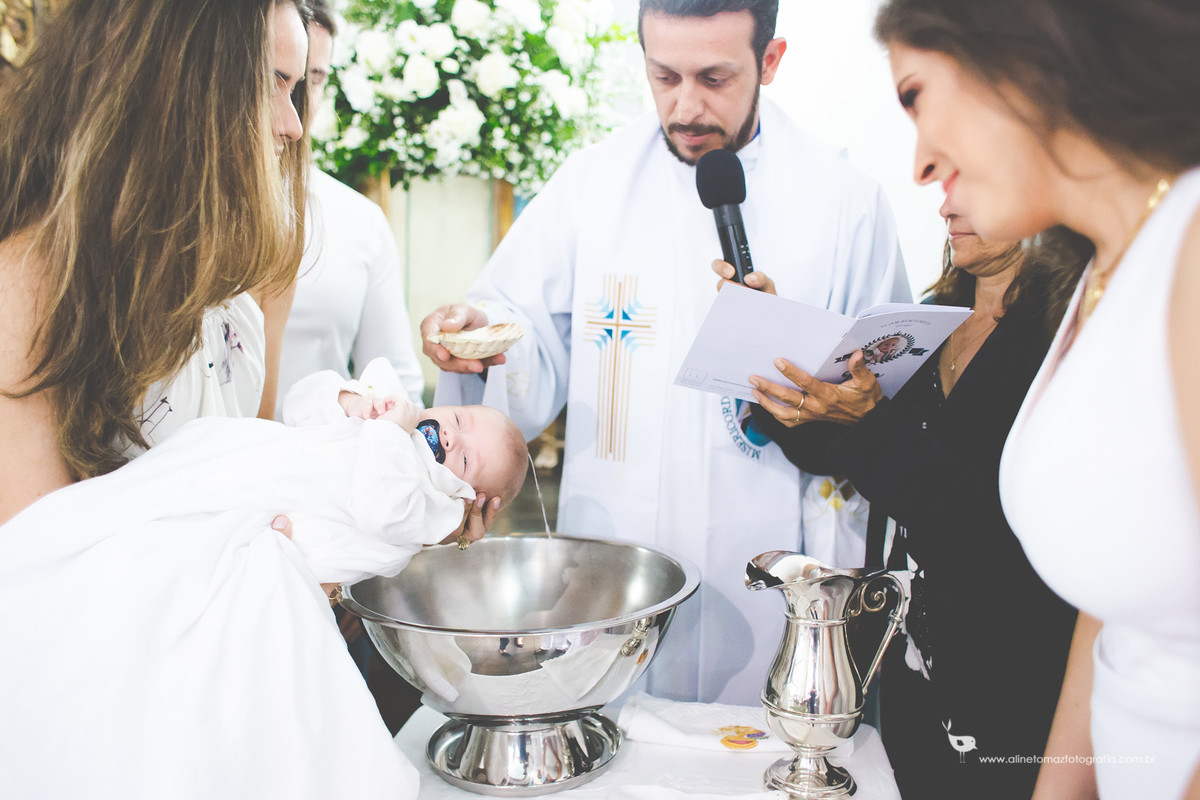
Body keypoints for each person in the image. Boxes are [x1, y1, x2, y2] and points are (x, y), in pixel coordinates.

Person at [420, 0, 909, 706]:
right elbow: (520, 329)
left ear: (770, 63)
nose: (684, 106)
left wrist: (840, 395)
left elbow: (885, 387)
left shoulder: (845, 203)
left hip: (773, 559)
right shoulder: (592, 185)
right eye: (663, 74)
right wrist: (478, 336)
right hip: (616, 561)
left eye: (714, 77)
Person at [871, 1, 1200, 798]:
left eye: (917, 97)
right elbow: (1110, 596)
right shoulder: (1104, 269)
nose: (920, 165)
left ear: (1016, 61)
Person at [0, 359, 528, 798]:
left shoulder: (429, 507)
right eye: (458, 417)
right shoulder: (389, 413)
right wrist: (349, 402)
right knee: (138, 505)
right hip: (240, 463)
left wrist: (389, 432)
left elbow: (379, 500)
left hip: (258, 534)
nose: (451, 435)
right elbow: (300, 406)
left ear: (472, 497)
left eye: (464, 457)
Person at [742, 195, 1089, 797]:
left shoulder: (1063, 337)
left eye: (973, 183)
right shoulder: (928, 321)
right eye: (947, 187)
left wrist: (869, 424)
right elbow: (839, 454)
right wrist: (781, 371)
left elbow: (984, 526)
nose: (948, 206)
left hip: (1010, 673)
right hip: (904, 662)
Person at [276, 0, 425, 419]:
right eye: (278, 75)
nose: (302, 98)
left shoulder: (358, 222)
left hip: (320, 467)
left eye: (315, 77)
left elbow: (396, 380)